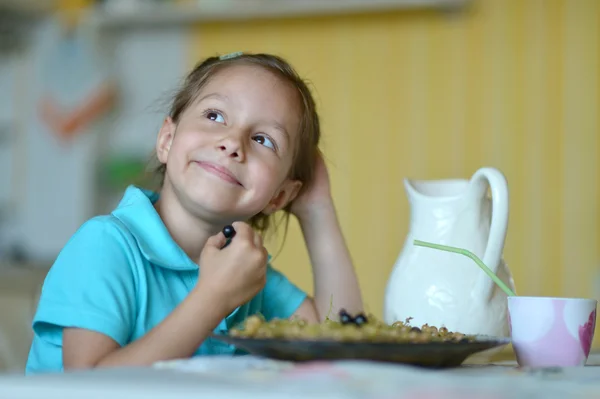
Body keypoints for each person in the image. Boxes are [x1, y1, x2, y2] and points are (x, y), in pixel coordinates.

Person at [25, 52, 363, 374]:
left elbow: (342, 347)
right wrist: (213, 299)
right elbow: (89, 387)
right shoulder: (105, 245)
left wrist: (316, 209)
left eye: (263, 139)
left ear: (279, 196)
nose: (233, 142)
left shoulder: (244, 273)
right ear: (167, 140)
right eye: (215, 116)